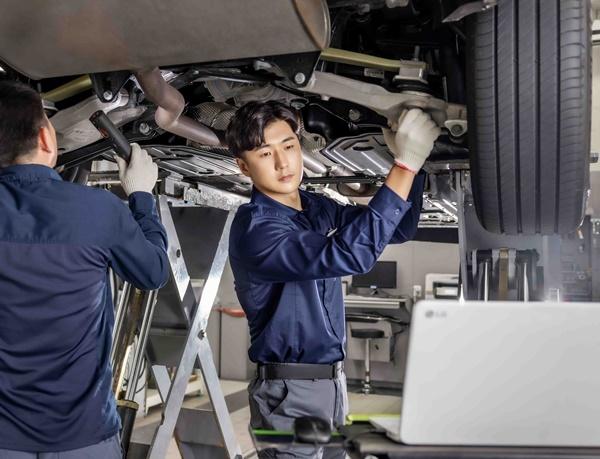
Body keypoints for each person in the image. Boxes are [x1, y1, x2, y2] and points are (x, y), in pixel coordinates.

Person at [225, 100, 440, 458]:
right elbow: (350, 255)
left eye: (289, 146)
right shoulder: (255, 228)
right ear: (243, 166)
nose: (283, 163)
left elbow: (397, 229)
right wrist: (405, 164)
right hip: (289, 393)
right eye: (265, 154)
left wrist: (410, 168)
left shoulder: (316, 207)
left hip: (331, 385)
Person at [0, 80, 169, 458]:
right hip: (83, 434)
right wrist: (141, 197)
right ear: (46, 138)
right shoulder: (97, 209)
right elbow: (154, 272)